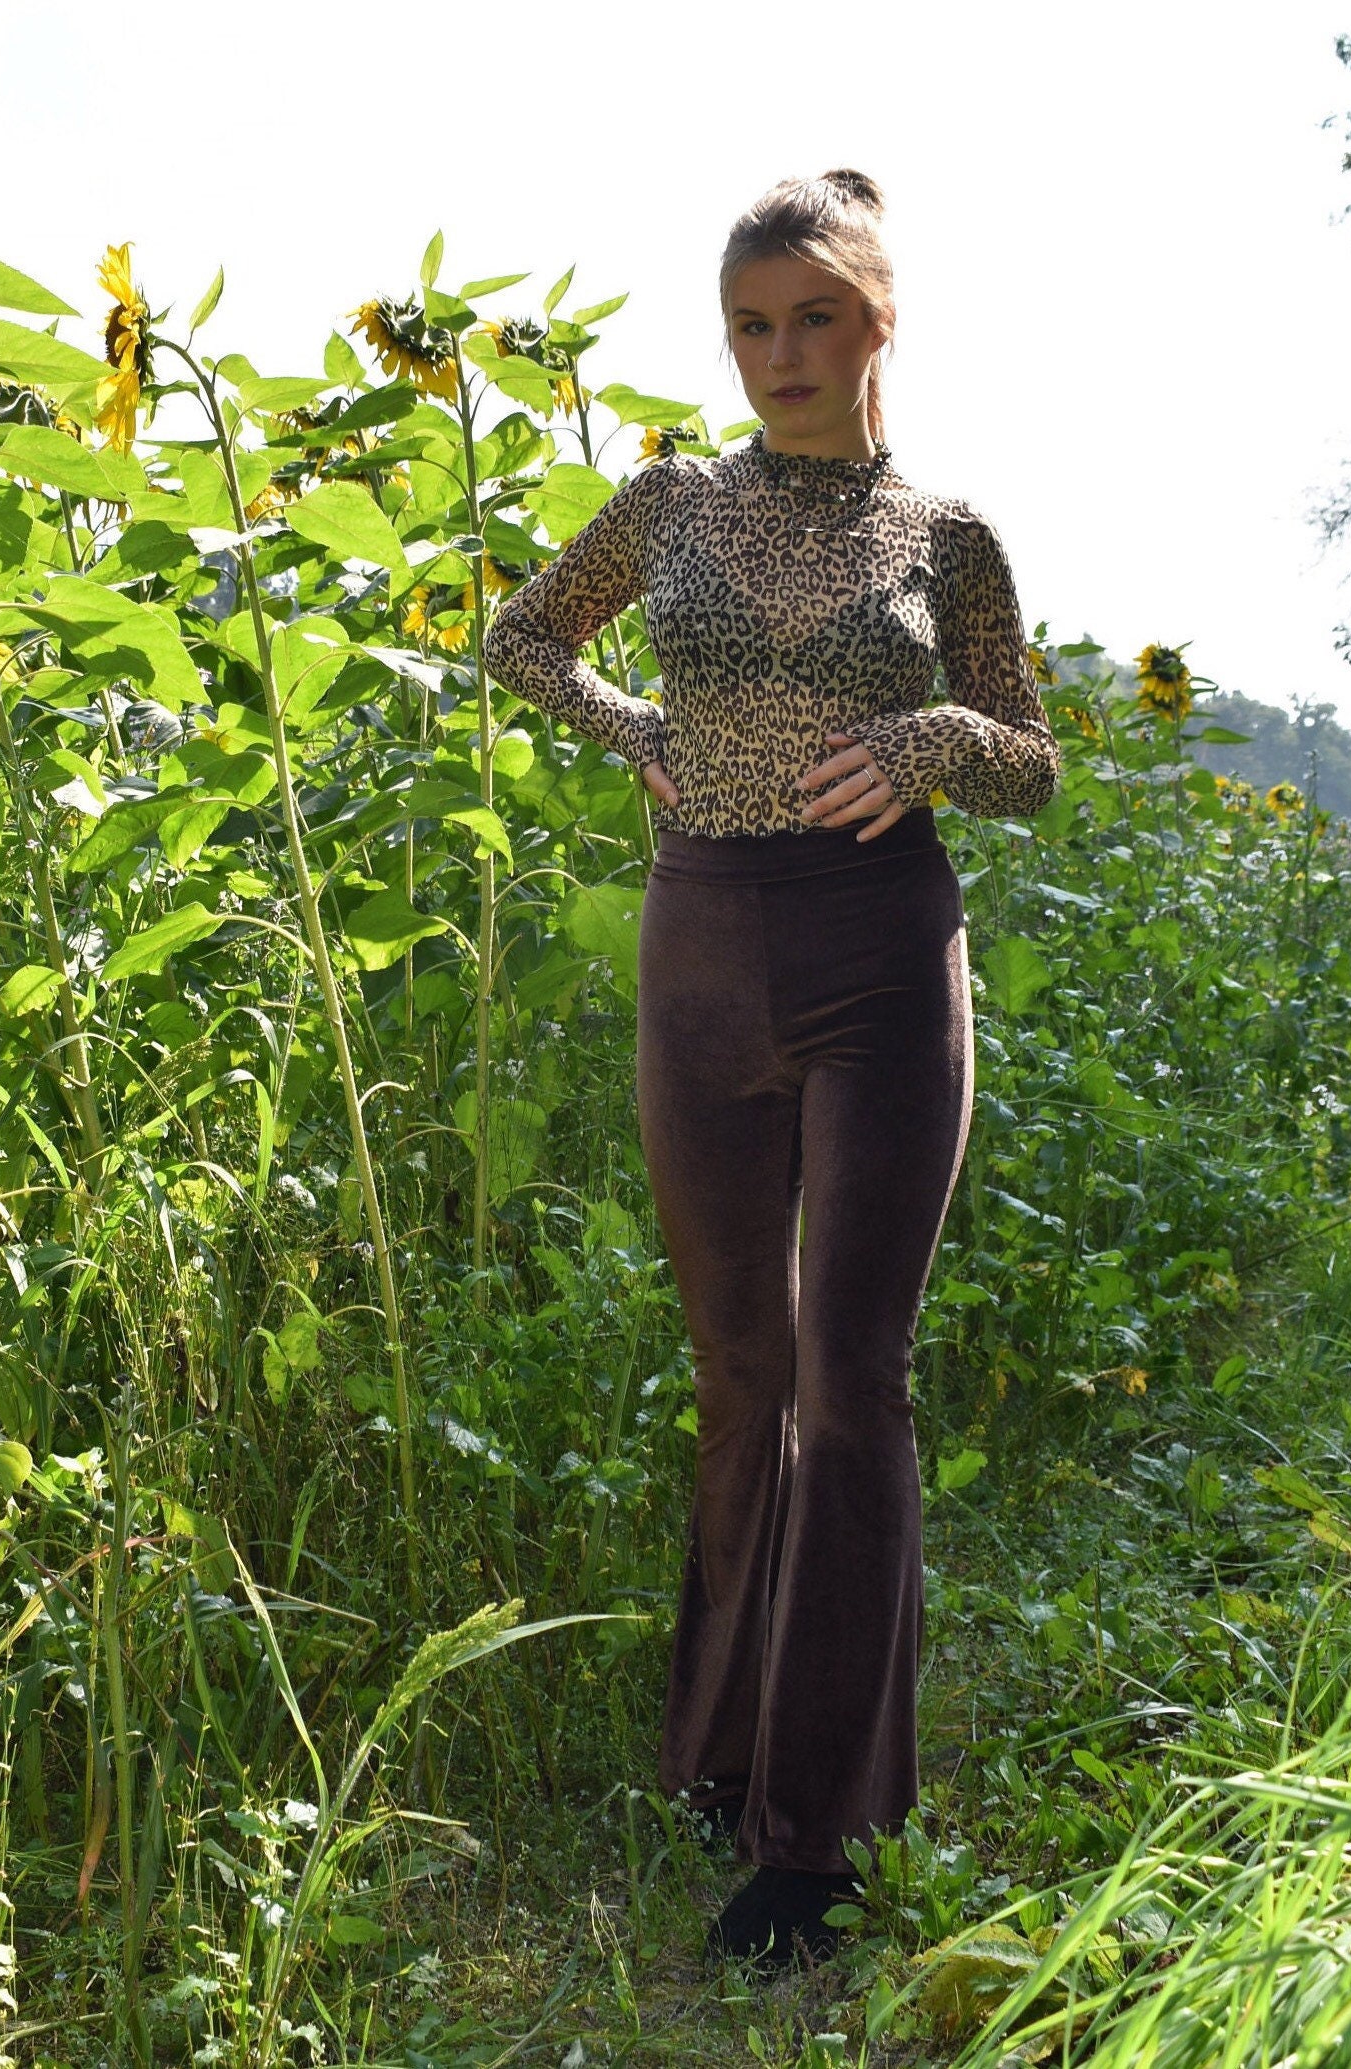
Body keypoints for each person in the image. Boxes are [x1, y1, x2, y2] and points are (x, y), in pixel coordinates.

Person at [483, 168, 1060, 1971]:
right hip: (700, 951)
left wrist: (936, 733)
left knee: (847, 1377)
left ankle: (820, 1840)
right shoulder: (669, 502)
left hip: (880, 957)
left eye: (814, 318)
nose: (779, 355)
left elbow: (1035, 759)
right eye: (750, 324)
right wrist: (628, 722)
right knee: (740, 1369)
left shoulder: (947, 534)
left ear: (880, 322)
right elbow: (517, 635)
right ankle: (717, 1756)